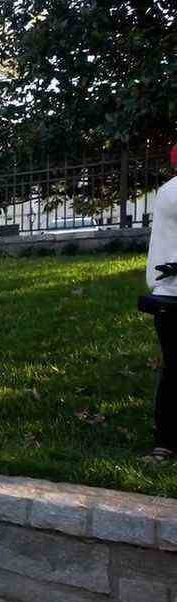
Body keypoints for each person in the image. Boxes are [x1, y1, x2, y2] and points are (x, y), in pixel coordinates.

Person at [141, 151, 177, 463]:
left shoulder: (167, 190)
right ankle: (165, 442)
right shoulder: (174, 192)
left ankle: (165, 443)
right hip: (173, 294)